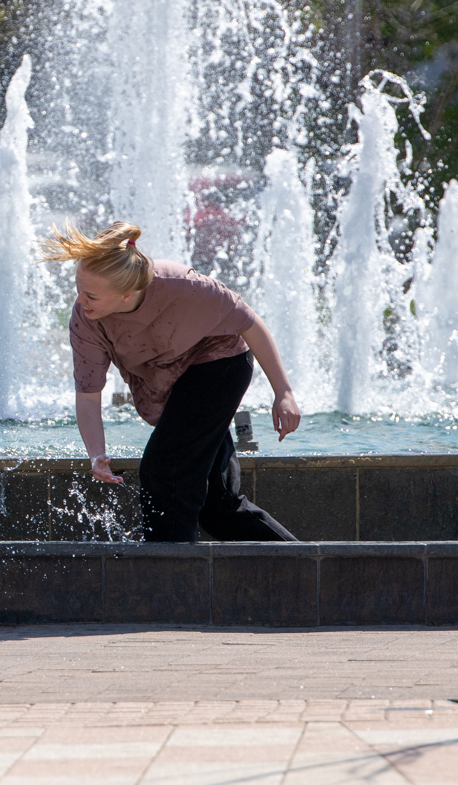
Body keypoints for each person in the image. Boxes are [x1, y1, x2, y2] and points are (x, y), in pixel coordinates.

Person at [41, 221, 299, 543]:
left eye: (91, 295)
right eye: (78, 289)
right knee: (216, 507)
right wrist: (97, 454)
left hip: (219, 365)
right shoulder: (87, 322)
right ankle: (309, 566)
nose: (80, 301)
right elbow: (88, 396)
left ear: (127, 294)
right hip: (170, 387)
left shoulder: (180, 285)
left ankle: (168, 575)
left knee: (164, 471)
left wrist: (284, 393)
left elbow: (250, 323)